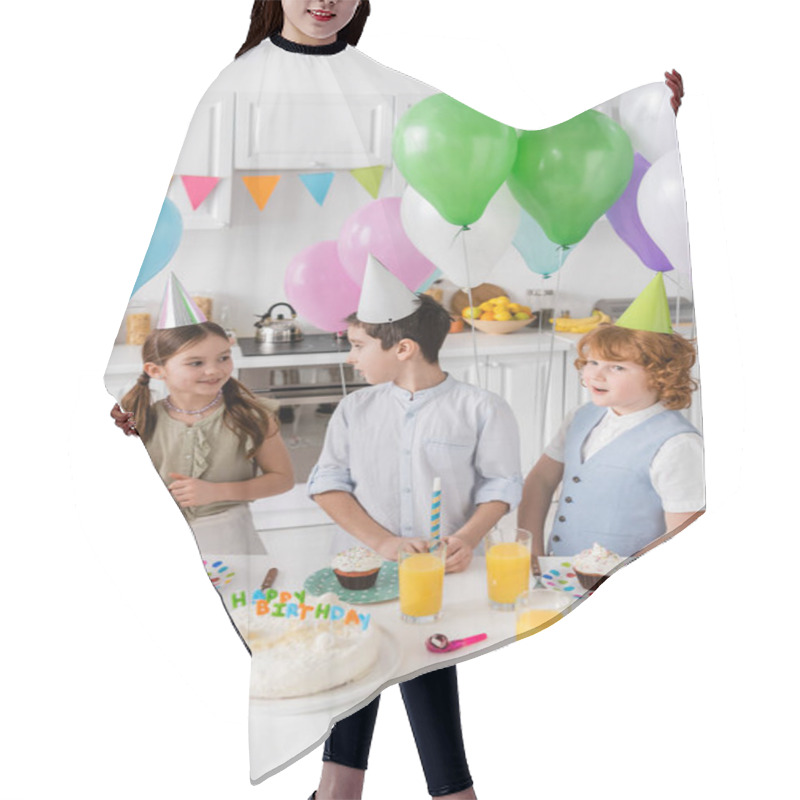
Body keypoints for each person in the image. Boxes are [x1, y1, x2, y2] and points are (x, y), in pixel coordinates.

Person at [307, 256, 522, 799]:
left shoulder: (481, 409)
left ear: (402, 348)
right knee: (358, 666)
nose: (351, 357)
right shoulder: (354, 411)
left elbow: (500, 487)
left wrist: (468, 537)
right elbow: (328, 484)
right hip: (362, 571)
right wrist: (382, 542)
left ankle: (448, 791)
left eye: (358, 345)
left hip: (443, 574)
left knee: (426, 660)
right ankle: (341, 790)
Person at [517, 277, 703, 560]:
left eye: (616, 367)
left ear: (659, 374)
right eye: (593, 362)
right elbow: (540, 480)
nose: (595, 375)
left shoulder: (678, 445)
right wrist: (529, 551)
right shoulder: (580, 417)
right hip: (562, 573)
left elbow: (681, 536)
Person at [121, 305, 294, 555]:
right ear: (156, 370)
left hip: (231, 538)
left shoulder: (252, 417)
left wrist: (217, 492)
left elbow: (282, 479)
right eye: (196, 363)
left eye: (223, 357)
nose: (214, 370)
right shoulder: (138, 420)